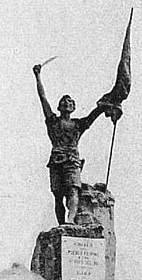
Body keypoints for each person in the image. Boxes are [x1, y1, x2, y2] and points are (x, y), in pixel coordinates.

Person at [33, 63, 117, 225]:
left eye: (70, 102)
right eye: (64, 102)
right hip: (56, 159)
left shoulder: (78, 124)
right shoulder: (53, 121)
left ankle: (71, 219)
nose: (66, 104)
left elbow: (95, 113)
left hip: (72, 160)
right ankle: (62, 224)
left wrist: (108, 105)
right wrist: (38, 76)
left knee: (73, 190)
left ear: (74, 107)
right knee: (58, 195)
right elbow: (43, 99)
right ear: (59, 107)